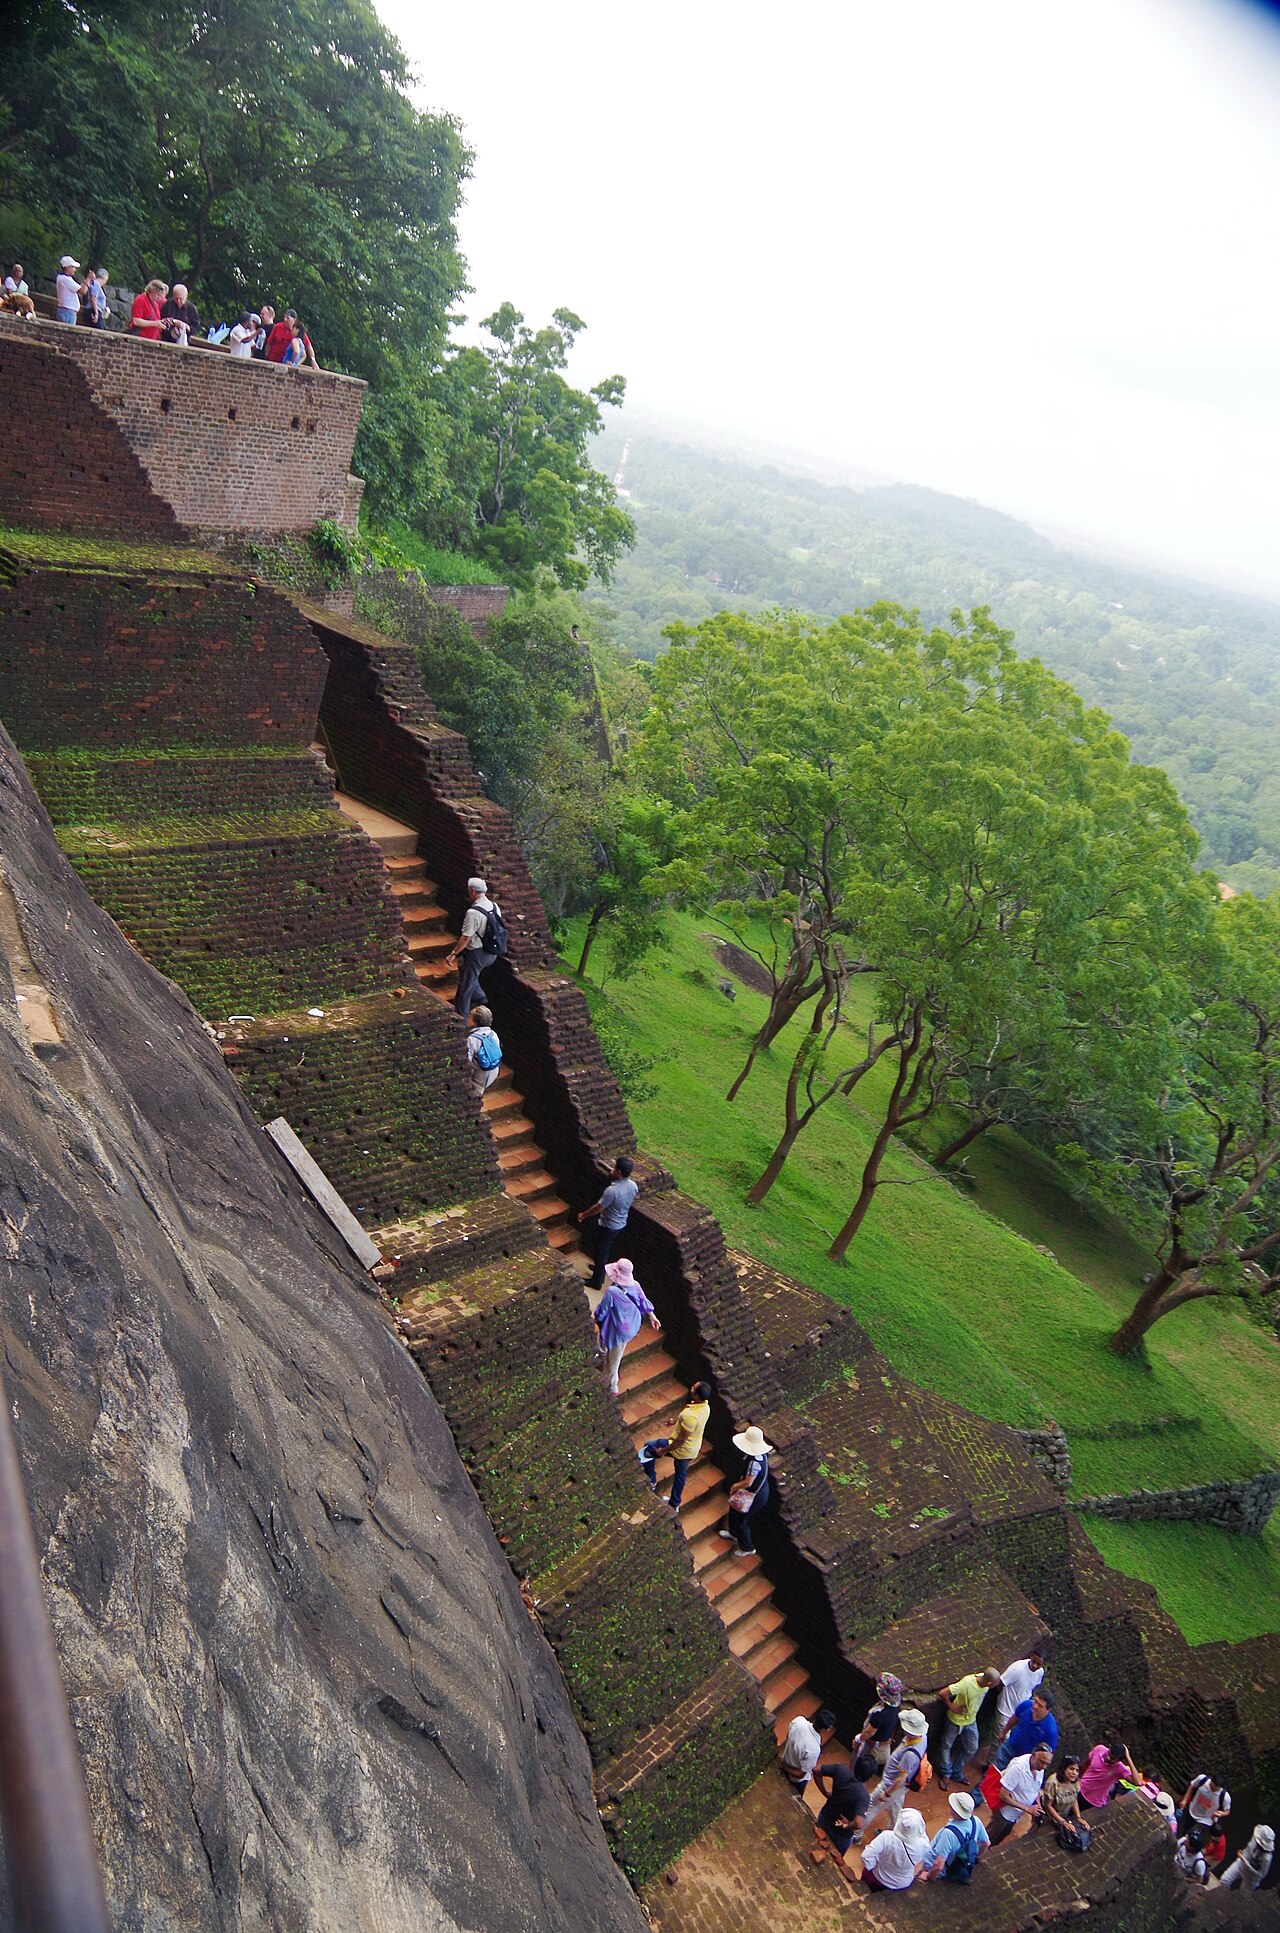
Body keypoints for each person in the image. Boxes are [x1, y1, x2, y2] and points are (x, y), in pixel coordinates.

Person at [639, 1379, 711, 1512]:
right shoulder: (705, 1406)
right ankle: (674, 1503)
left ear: (696, 1396)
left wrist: (663, 1451)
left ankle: (651, 1479)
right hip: (693, 1448)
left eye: (693, 1389)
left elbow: (680, 1440)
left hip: (681, 1448)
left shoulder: (690, 1416)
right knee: (680, 1475)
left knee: (649, 1446)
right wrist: (676, 1421)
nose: (691, 1388)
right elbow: (689, 1422)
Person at [592, 1257, 659, 1395]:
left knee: (613, 1360)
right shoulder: (635, 1285)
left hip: (618, 1329)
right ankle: (601, 1360)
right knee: (605, 1345)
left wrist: (596, 1318)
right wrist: (653, 1316)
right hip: (629, 1324)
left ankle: (611, 1386)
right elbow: (643, 1301)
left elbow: (603, 1310)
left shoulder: (612, 1292)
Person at [861, 1708, 930, 1835]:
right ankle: (894, 1830)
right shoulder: (922, 1737)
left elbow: (901, 1777)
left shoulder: (910, 1755)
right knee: (896, 1807)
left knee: (871, 1806)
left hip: (891, 1785)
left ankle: (857, 1834)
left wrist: (887, 1793)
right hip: (900, 1788)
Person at [446, 876, 504, 1022]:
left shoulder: (473, 913)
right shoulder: (494, 906)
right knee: (467, 970)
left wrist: (453, 953)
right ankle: (479, 995)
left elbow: (466, 938)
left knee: (465, 987)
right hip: (492, 953)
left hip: (478, 954)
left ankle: (461, 1018)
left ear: (472, 891)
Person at [579, 1155, 639, 1288]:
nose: (612, 1169)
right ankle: (600, 1270)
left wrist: (584, 1215)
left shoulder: (612, 1191)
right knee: (601, 1247)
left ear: (618, 1172)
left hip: (608, 1225)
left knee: (601, 1251)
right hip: (620, 1223)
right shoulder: (633, 1186)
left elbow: (598, 1208)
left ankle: (597, 1281)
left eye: (615, 1168)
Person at [936, 1667, 1001, 1790]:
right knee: (946, 1746)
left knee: (972, 1747)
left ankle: (956, 1771)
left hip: (971, 1721)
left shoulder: (985, 1681)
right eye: (995, 1685)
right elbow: (943, 1693)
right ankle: (946, 1773)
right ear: (989, 1683)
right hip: (955, 1721)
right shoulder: (966, 1684)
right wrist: (951, 1707)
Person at [809, 1753, 869, 1875]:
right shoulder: (863, 1796)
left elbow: (816, 1770)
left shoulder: (840, 1770)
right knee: (834, 1859)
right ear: (869, 1776)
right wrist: (847, 1824)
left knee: (814, 1840)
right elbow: (858, 1822)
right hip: (842, 1834)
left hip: (825, 1817)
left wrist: (825, 1792)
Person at [718, 1424, 772, 1556]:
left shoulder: (754, 1463)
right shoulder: (759, 1456)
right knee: (734, 1509)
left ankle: (747, 1547)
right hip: (750, 1491)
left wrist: (735, 1487)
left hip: (755, 1495)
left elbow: (748, 1482)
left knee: (742, 1519)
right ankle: (733, 1533)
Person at [986, 1743, 1051, 1846]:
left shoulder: (1040, 1770)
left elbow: (1035, 1790)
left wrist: (1037, 1804)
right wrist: (1027, 1808)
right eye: (1041, 1762)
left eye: (1047, 1764)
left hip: (1015, 1815)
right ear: (1034, 1755)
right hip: (1005, 1812)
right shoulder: (1018, 1768)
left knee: (1001, 1836)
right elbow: (1003, 1795)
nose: (1043, 1766)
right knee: (989, 1836)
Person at [920, 1790, 989, 1883]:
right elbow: (986, 1843)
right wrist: (974, 1858)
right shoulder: (976, 1821)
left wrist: (928, 1876)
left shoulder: (948, 1834)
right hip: (957, 1865)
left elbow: (938, 1865)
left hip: (938, 1869)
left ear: (955, 1811)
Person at [859, 1808, 930, 1891]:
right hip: (901, 1884)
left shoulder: (887, 1837)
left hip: (878, 1877)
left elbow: (866, 1856)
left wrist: (872, 1866)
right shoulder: (924, 1845)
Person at [991, 1687, 1058, 1771]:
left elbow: (1048, 1753)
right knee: (995, 1771)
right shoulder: (1026, 1705)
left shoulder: (1051, 1730)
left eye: (1040, 1705)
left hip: (1025, 1761)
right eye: (1035, 1701)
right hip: (1010, 1747)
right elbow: (1015, 1718)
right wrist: (1004, 1732)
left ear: (1048, 1710)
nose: (1035, 1706)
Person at [853, 1673, 904, 1781]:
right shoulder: (897, 1707)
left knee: (859, 1767)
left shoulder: (880, 1713)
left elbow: (869, 1732)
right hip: (884, 1742)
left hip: (872, 1746)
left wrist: (858, 1740)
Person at [779, 1705, 836, 1799]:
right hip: (796, 1780)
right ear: (823, 1730)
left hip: (786, 1760)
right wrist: (785, 1768)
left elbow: (788, 1736)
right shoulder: (814, 1748)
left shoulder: (799, 1721)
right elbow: (800, 1774)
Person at [992, 1649, 1046, 1740]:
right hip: (1005, 1710)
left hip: (1020, 1712)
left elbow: (1032, 1687)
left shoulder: (1040, 1672)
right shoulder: (1017, 1669)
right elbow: (1001, 1683)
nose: (1034, 1665)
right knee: (1002, 1739)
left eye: (1038, 1664)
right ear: (1031, 1656)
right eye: (1033, 1661)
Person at [1079, 1735, 1138, 1810]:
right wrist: (1079, 1778)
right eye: (1109, 1754)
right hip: (1080, 1789)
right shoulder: (1099, 1749)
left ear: (1119, 1760)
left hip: (1093, 1801)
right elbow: (1087, 1763)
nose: (1108, 1758)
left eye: (1113, 1758)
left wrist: (1128, 1758)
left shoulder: (1120, 1769)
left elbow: (1138, 1782)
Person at [1041, 1754, 1086, 1848]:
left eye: (1077, 1770)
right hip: (1048, 1816)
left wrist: (1078, 1817)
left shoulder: (1075, 1782)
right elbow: (1048, 1805)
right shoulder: (1053, 1782)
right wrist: (1062, 1822)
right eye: (1071, 1769)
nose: (1074, 1773)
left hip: (1064, 1815)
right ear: (1064, 1768)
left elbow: (1074, 1799)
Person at [1220, 1822, 1274, 1891]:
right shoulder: (1255, 1838)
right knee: (1224, 1880)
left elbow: (1261, 1874)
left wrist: (1246, 1862)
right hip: (1241, 1864)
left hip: (1252, 1877)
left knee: (1243, 1895)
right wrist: (1244, 1853)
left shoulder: (1266, 1858)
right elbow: (1249, 1847)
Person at [1178, 1771, 1230, 1841]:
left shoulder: (1225, 1797)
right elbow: (1192, 1786)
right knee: (1186, 1830)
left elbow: (1227, 1811)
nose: (1213, 1790)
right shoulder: (1202, 1779)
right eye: (1212, 1787)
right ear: (1211, 1780)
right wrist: (1185, 1799)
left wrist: (1221, 1814)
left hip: (1205, 1820)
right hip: (1192, 1811)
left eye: (1216, 1789)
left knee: (1193, 1835)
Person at [464, 1004, 502, 1098]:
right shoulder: (493, 1034)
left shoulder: (472, 1039)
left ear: (475, 1021)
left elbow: (467, 1061)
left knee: (476, 1096)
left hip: (480, 1075)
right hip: (494, 1070)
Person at [55, 255, 81, 324]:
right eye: (73, 267)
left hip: (67, 311)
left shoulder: (62, 278)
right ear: (67, 267)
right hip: (67, 312)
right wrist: (88, 279)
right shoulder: (65, 279)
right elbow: (82, 290)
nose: (75, 269)